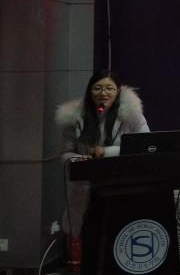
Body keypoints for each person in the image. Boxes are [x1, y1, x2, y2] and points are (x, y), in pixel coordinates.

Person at [55, 70, 149, 271]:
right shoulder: (74, 117)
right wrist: (78, 159)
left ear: (118, 91)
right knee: (88, 231)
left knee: (118, 231)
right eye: (97, 88)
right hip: (85, 185)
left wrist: (106, 152)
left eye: (109, 88)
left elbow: (144, 146)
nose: (103, 93)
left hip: (121, 184)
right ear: (90, 91)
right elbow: (65, 153)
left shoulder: (132, 114)